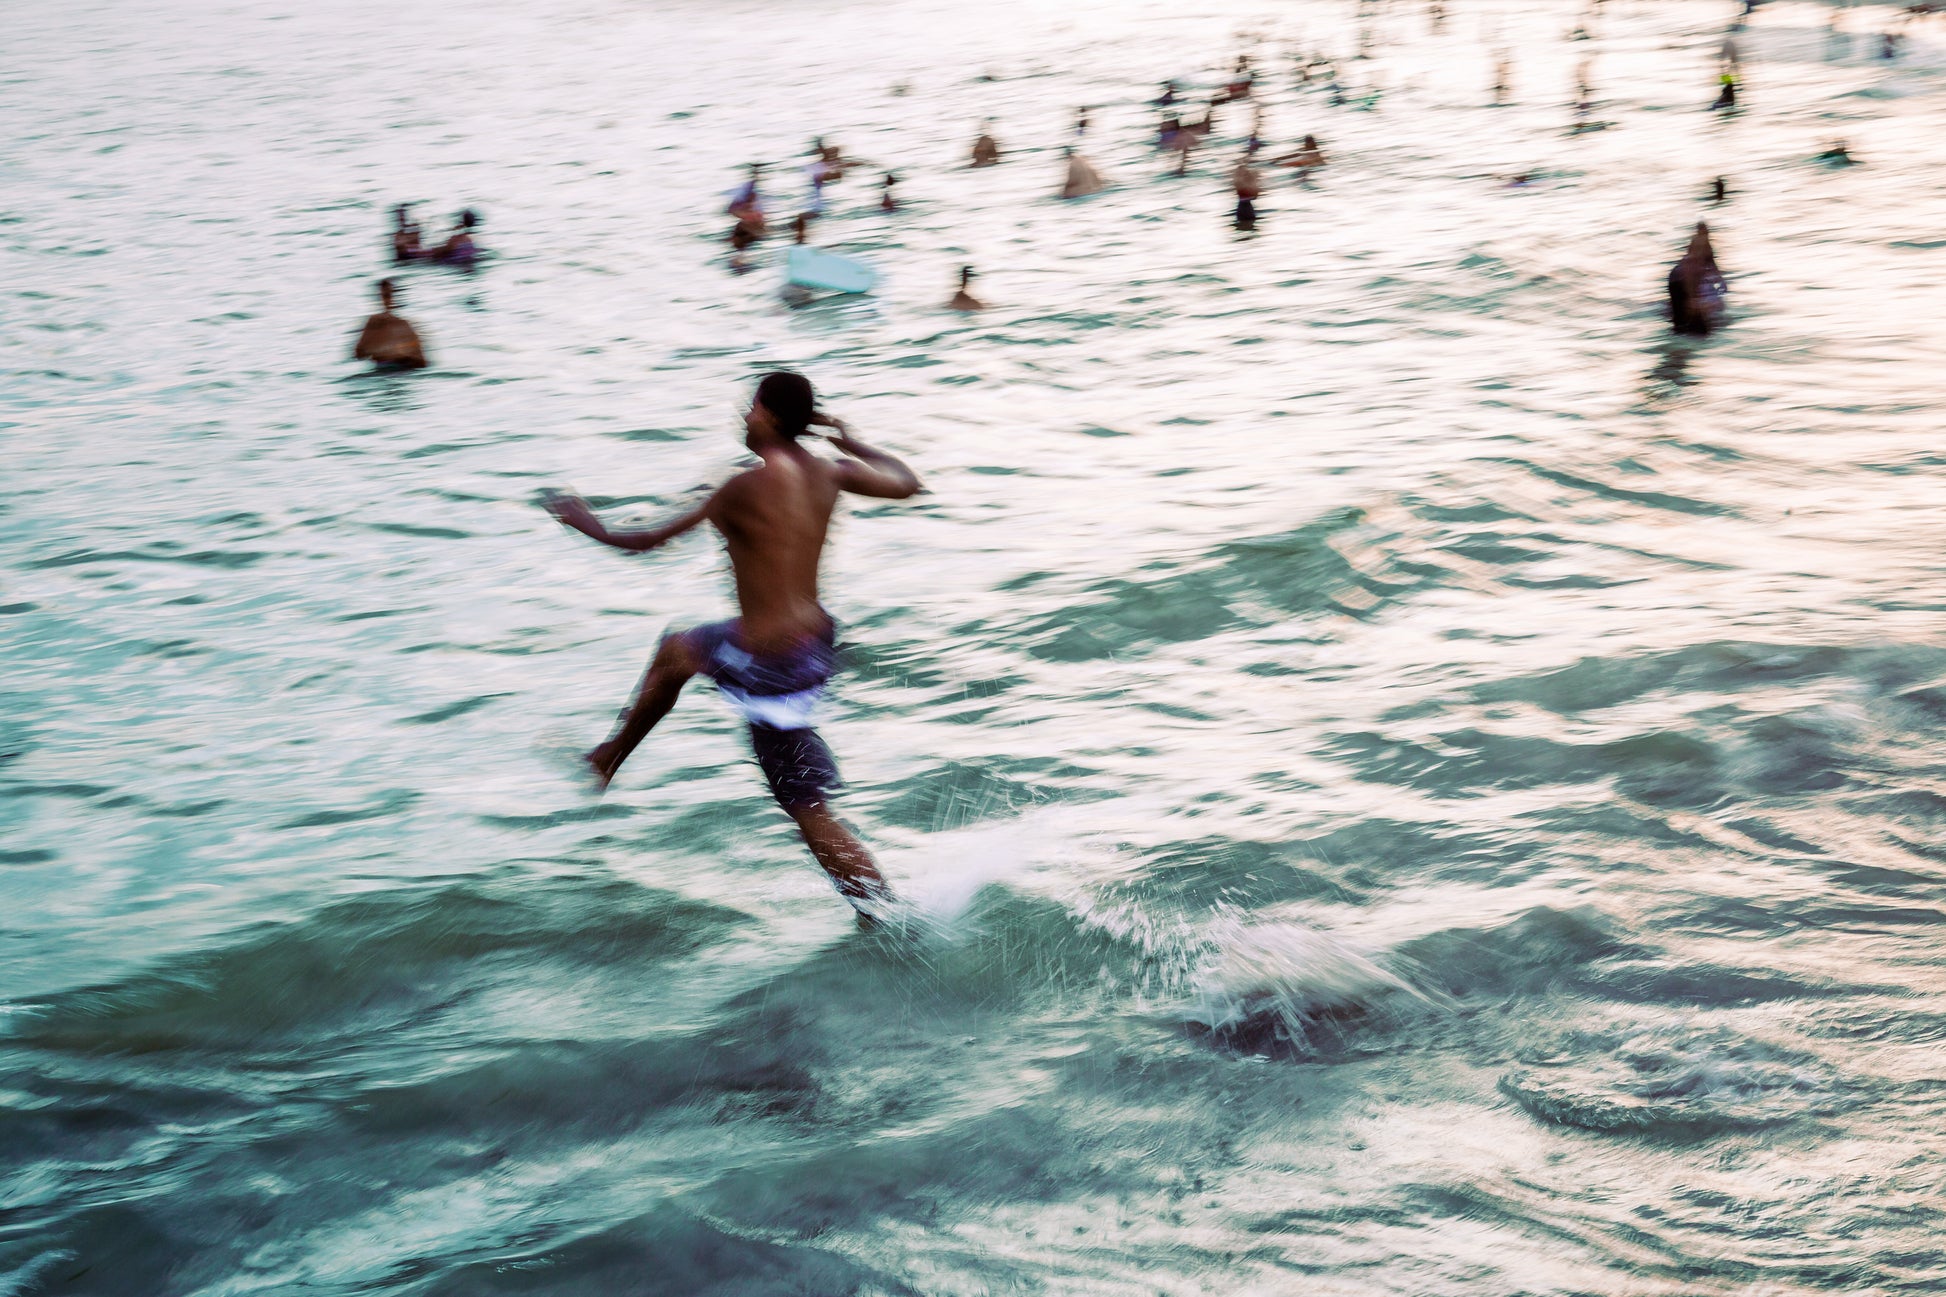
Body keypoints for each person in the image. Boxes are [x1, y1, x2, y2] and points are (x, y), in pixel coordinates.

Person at [540, 372, 922, 923]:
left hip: (772, 663)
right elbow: (906, 482)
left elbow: (644, 540)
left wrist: (585, 522)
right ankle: (606, 758)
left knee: (806, 807)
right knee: (678, 650)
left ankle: (886, 917)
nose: (744, 416)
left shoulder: (742, 487)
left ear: (771, 417)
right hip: (814, 648)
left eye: (752, 407)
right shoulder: (829, 472)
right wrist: (850, 441)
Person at [351, 279, 427, 369]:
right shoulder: (374, 322)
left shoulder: (405, 325)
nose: (387, 300)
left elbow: (421, 362)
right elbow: (359, 354)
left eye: (389, 296)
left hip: (400, 369)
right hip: (385, 369)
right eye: (384, 296)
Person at [1667, 221, 1726, 336]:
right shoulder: (1700, 248)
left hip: (1679, 279)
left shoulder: (1702, 247)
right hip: (1680, 280)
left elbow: (1712, 269)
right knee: (1688, 322)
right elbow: (1693, 271)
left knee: (1683, 323)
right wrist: (1694, 299)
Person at [1231, 155, 1262, 228]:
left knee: (1243, 224)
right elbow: (1255, 196)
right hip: (1247, 207)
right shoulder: (1249, 181)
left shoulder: (1239, 181)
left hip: (1242, 206)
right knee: (1248, 224)